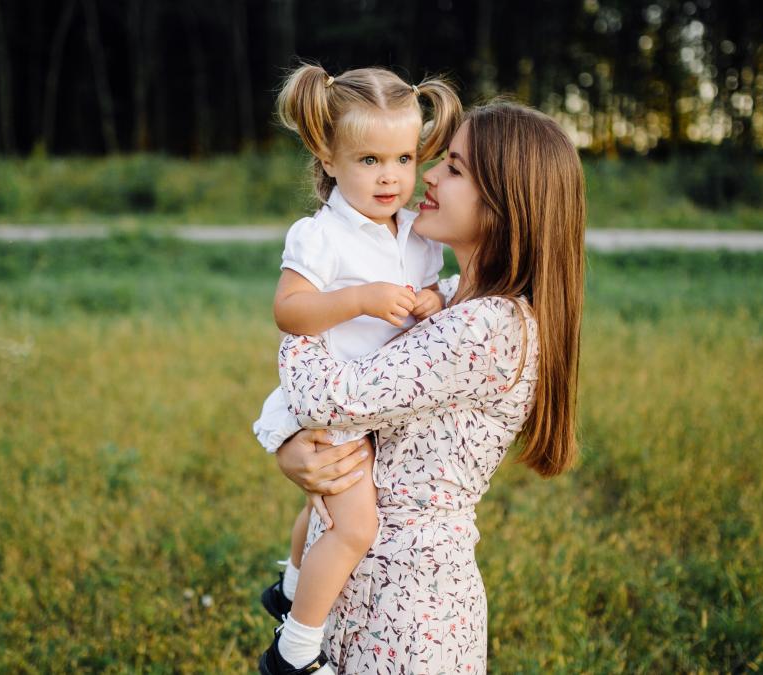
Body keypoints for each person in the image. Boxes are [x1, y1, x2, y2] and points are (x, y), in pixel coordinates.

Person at [270, 100, 586, 672]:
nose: (430, 175)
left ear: (503, 203)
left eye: (456, 168)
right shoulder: (449, 296)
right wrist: (297, 452)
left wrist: (302, 318)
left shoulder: (487, 326)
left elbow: (328, 397)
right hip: (362, 588)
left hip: (410, 611)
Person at [251, 62, 462, 675]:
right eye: (369, 160)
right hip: (334, 398)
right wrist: (361, 298)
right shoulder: (322, 237)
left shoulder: (419, 236)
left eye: (403, 157)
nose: (390, 176)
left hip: (379, 403)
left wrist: (431, 299)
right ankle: (295, 650)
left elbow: (428, 293)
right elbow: (288, 310)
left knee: (321, 510)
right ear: (328, 154)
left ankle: (290, 586)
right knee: (354, 527)